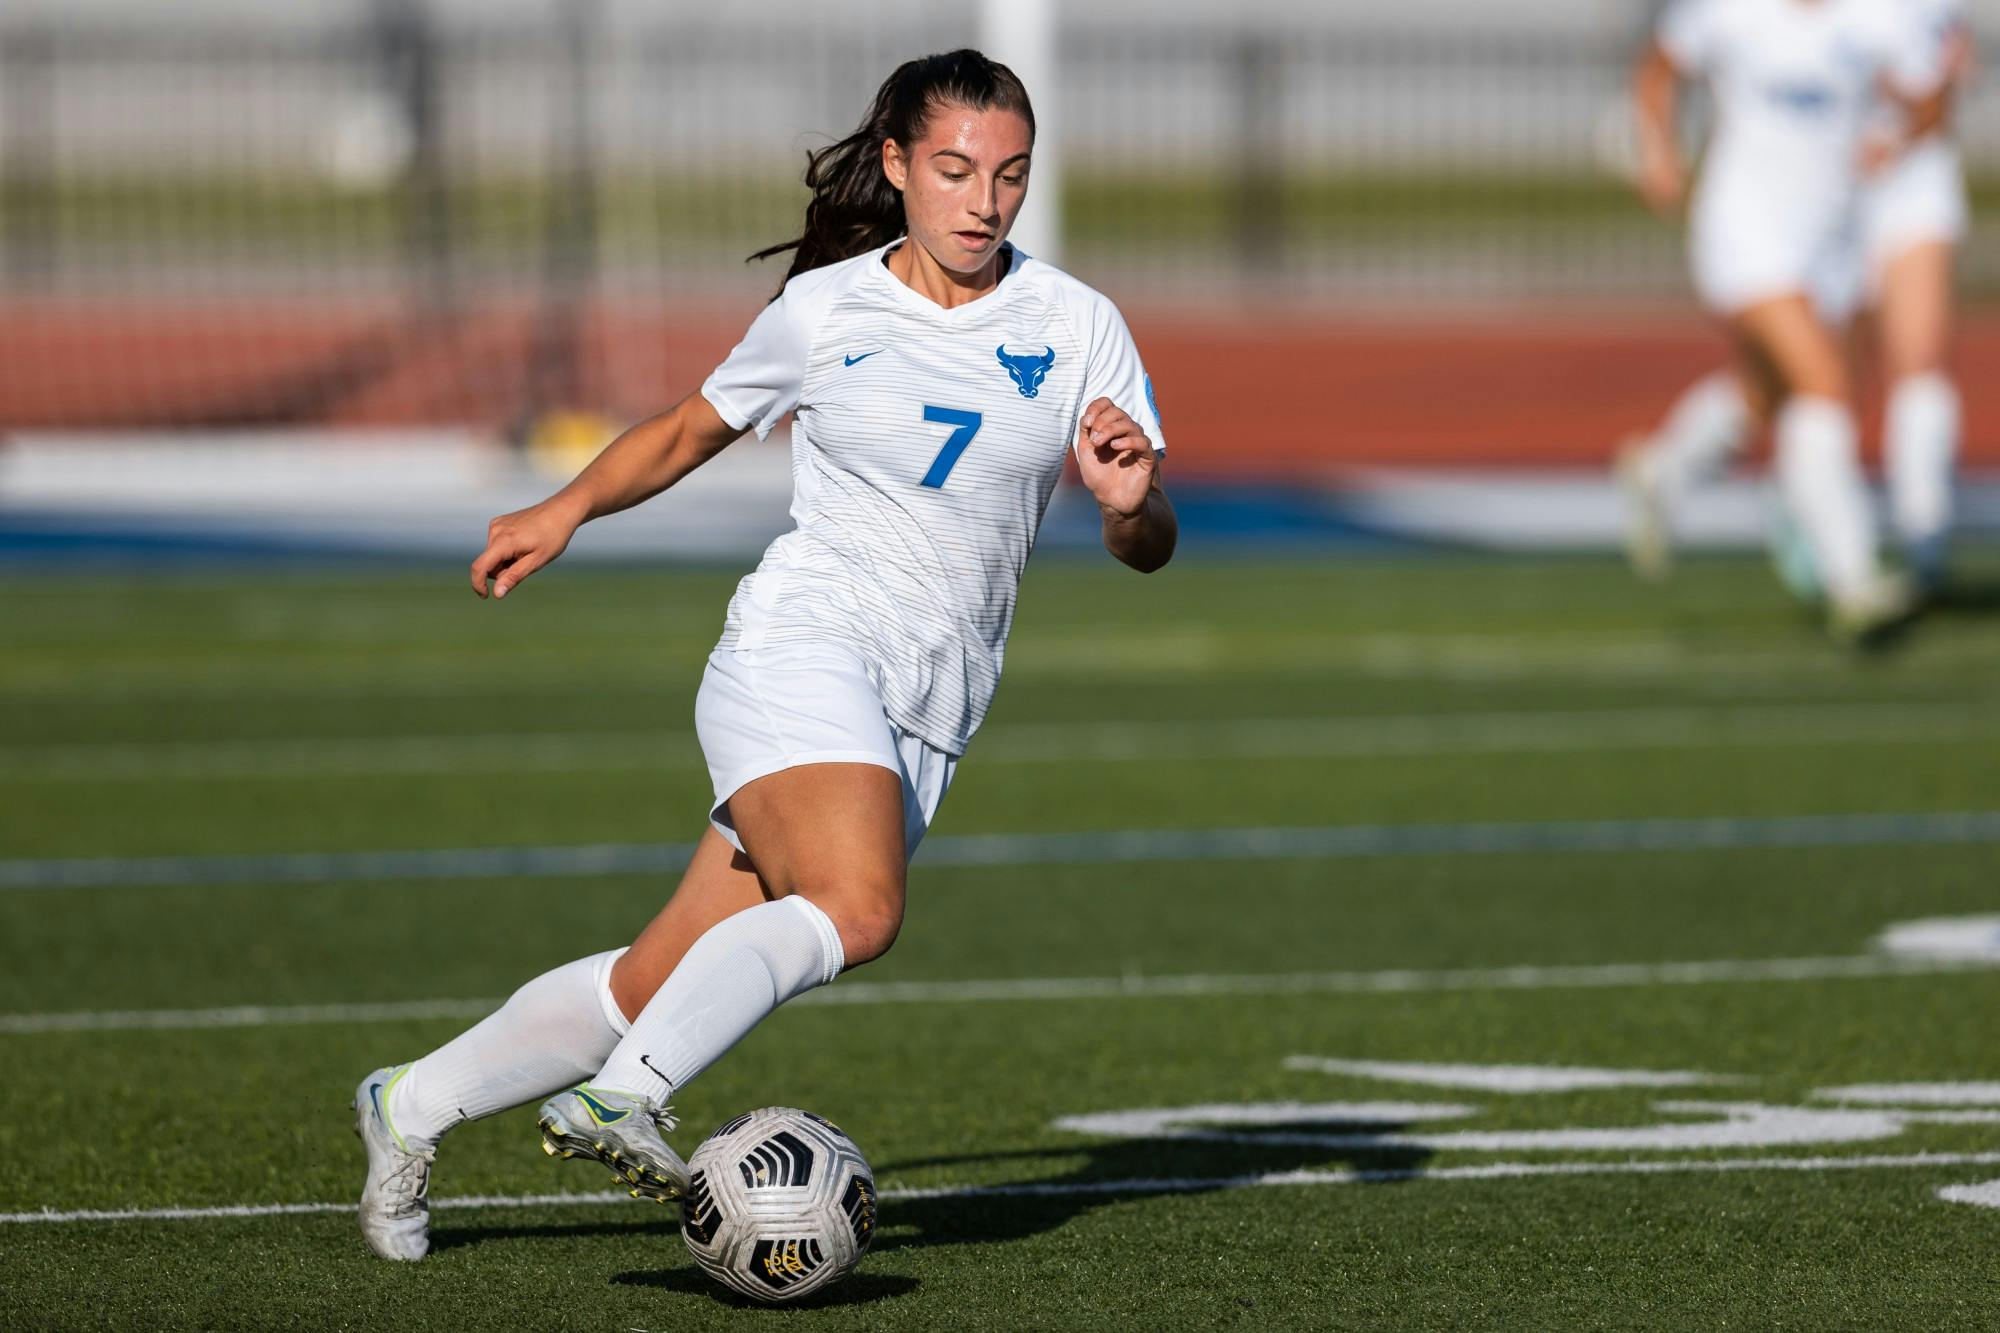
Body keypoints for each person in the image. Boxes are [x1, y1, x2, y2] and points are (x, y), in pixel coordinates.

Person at [350, 49, 1175, 1262]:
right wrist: (561, 509)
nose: (982, 202)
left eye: (1007, 175)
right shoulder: (824, 310)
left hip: (925, 708)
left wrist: (1122, 501)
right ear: (895, 166)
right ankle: (622, 1100)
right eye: (951, 170)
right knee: (856, 905)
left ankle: (406, 1102)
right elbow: (690, 427)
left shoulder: (1076, 324)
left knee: (652, 977)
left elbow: (1147, 544)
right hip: (801, 645)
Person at [1615, 0, 1947, 639]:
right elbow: (1658, 71)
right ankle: (1854, 580)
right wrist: (1658, 151)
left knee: (1769, 395)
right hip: (1744, 236)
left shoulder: (1880, 19)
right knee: (1823, 384)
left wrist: (1898, 137)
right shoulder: (1729, 12)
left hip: (1830, 242)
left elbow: (1931, 100)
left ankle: (1664, 470)